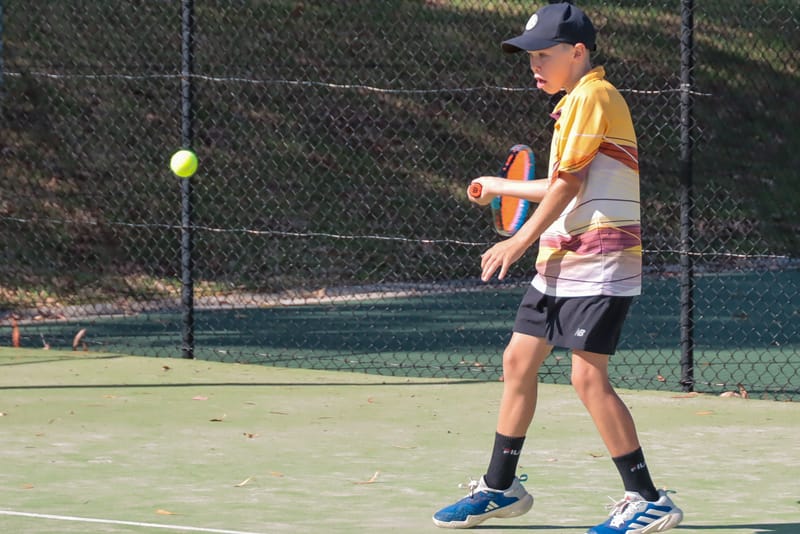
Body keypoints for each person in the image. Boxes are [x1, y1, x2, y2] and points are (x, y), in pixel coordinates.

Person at [432, 3, 683, 533]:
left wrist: (518, 241)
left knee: (587, 377)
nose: (534, 65)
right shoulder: (574, 103)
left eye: (544, 55)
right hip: (562, 259)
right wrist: (498, 186)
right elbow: (560, 182)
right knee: (519, 360)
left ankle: (648, 499)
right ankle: (500, 487)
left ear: (578, 52)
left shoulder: (595, 96)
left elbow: (569, 185)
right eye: (530, 56)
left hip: (601, 260)